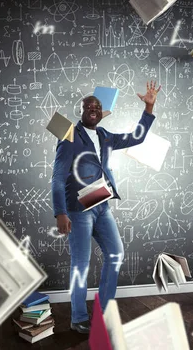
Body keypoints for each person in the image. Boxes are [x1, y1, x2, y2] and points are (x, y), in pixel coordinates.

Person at [51, 81, 161, 333]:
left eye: (97, 106)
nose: (93, 108)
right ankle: (78, 318)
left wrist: (149, 108)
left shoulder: (104, 136)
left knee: (116, 254)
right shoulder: (68, 135)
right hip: (77, 209)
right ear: (80, 111)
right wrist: (60, 212)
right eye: (88, 105)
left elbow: (137, 137)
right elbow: (57, 177)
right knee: (81, 265)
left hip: (102, 205)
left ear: (102, 112)